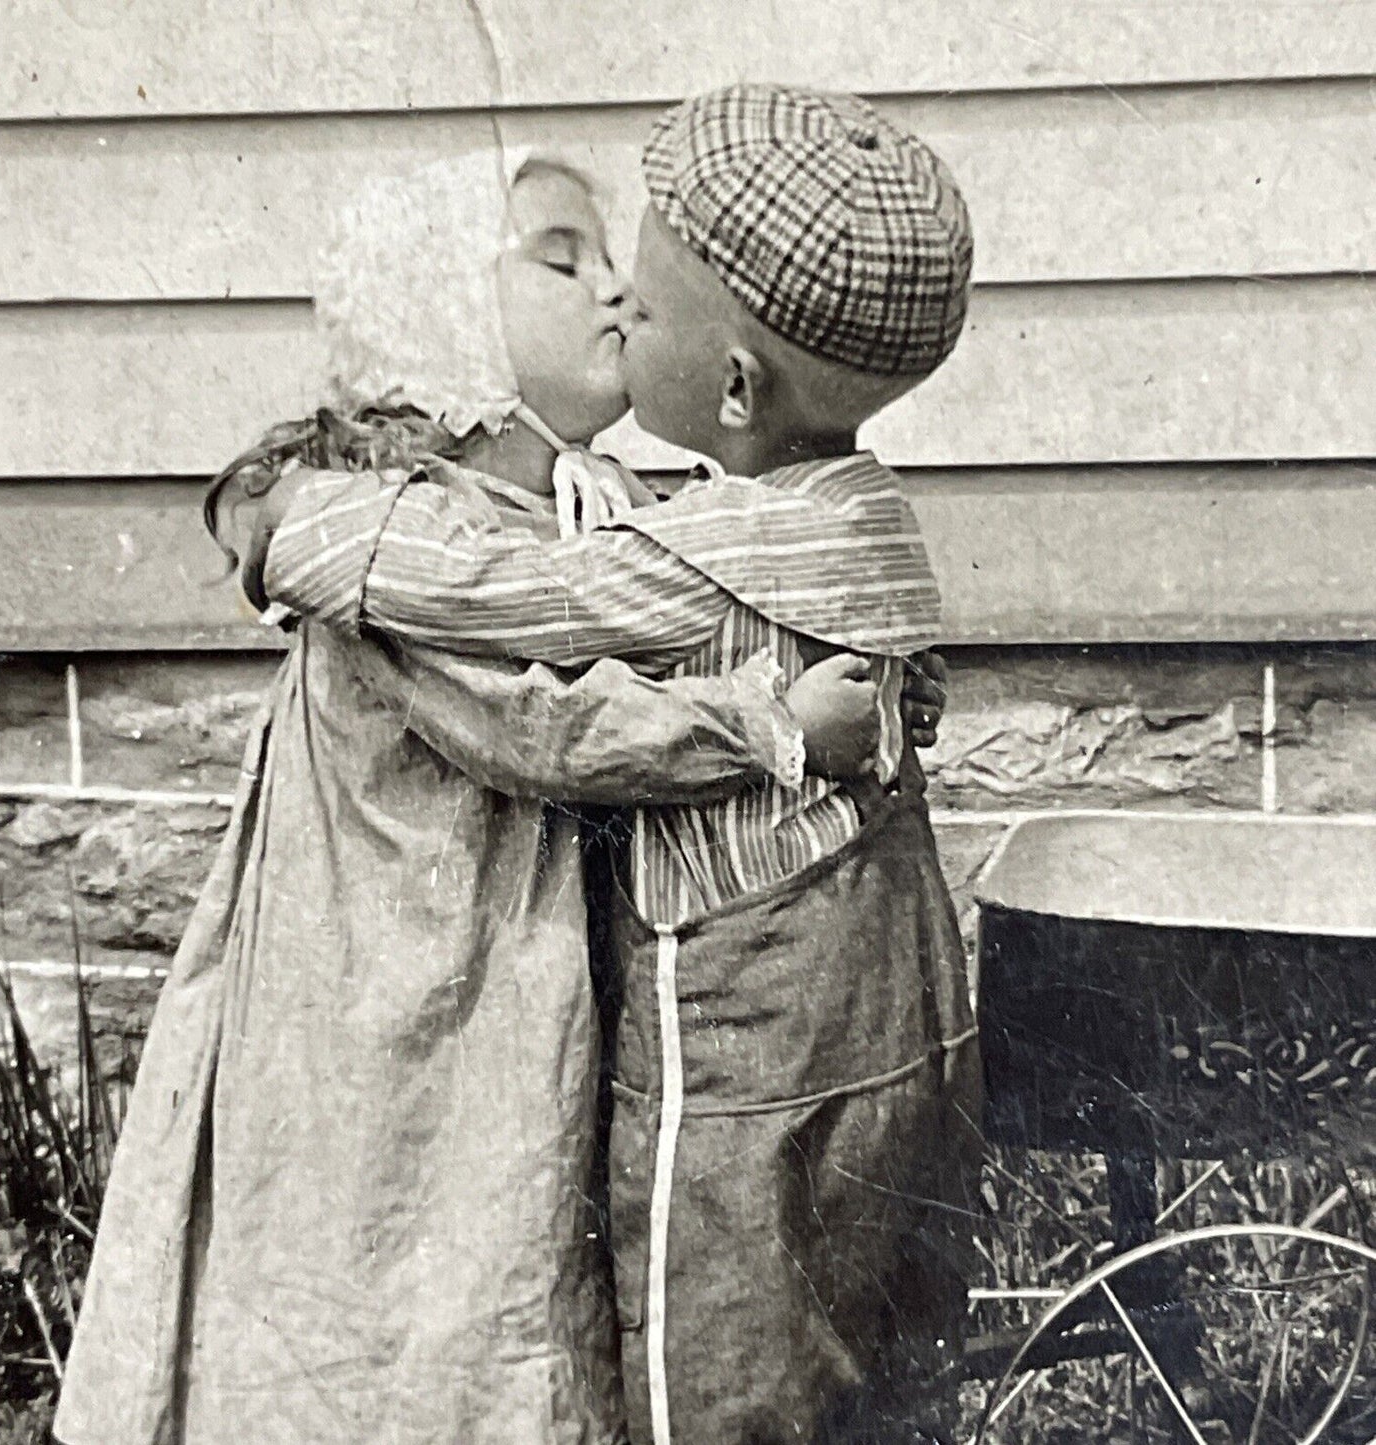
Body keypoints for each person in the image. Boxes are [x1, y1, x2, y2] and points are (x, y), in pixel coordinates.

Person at [53, 147, 905, 1445]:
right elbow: (539, 728)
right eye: (563, 261)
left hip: (503, 952)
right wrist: (767, 728)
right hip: (383, 969)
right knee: (386, 1221)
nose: (617, 290)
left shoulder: (573, 503)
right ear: (441, 325)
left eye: (610, 258)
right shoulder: (399, 535)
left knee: (490, 1218)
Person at [247, 86, 980, 1444]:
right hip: (878, 1000)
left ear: (737, 387)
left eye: (635, 287)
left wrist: (291, 523)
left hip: (745, 1028)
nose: (617, 303)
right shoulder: (842, 508)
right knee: (851, 1313)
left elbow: (513, 607)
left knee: (717, 1331)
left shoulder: (667, 545)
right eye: (569, 261)